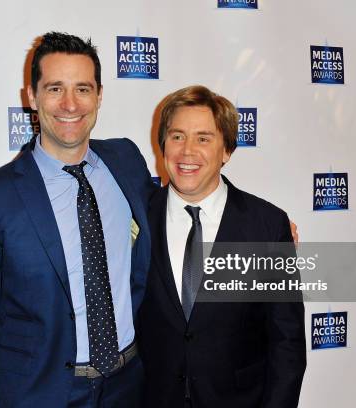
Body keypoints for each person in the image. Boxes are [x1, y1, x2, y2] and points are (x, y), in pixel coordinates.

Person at [0, 32, 154, 408]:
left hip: (130, 387)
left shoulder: (127, 161)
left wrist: (267, 233)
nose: (69, 104)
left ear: (99, 95)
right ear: (31, 97)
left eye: (82, 88)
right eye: (54, 88)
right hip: (41, 394)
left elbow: (177, 215)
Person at [138, 85, 307, 408]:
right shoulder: (136, 214)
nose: (187, 151)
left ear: (227, 150)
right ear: (162, 144)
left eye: (203, 138)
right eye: (177, 136)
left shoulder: (267, 226)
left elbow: (287, 343)